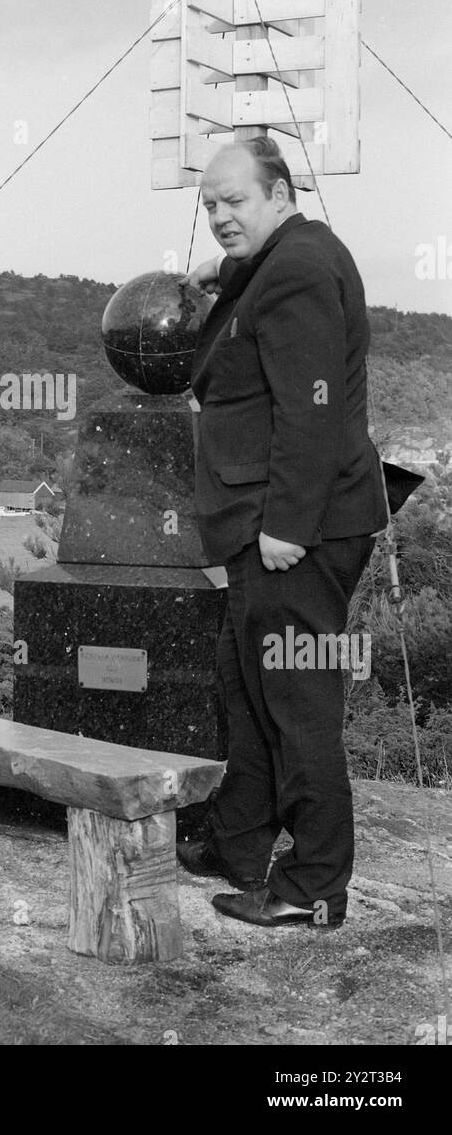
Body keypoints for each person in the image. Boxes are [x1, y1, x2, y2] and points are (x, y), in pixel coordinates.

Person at [177, 135, 387, 929]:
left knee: (296, 706)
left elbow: (314, 407)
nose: (220, 216)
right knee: (248, 689)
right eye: (209, 207)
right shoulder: (281, 258)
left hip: (295, 529)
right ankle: (236, 845)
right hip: (265, 524)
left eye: (234, 201)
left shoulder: (298, 267)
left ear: (278, 192)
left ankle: (311, 889)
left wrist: (286, 527)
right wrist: (220, 272)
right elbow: (252, 309)